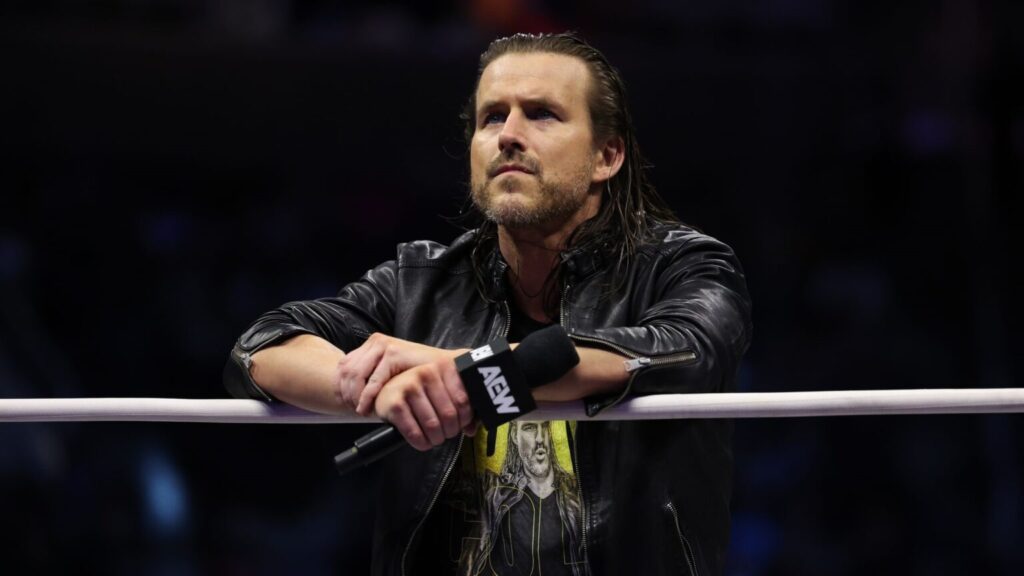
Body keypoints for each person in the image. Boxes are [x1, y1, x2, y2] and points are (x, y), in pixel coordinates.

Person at [224, 32, 752, 576]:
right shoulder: (421, 280)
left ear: (607, 155)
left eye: (542, 114)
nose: (509, 136)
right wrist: (378, 388)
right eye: (492, 117)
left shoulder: (684, 266)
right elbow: (260, 348)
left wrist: (453, 370)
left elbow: (682, 351)